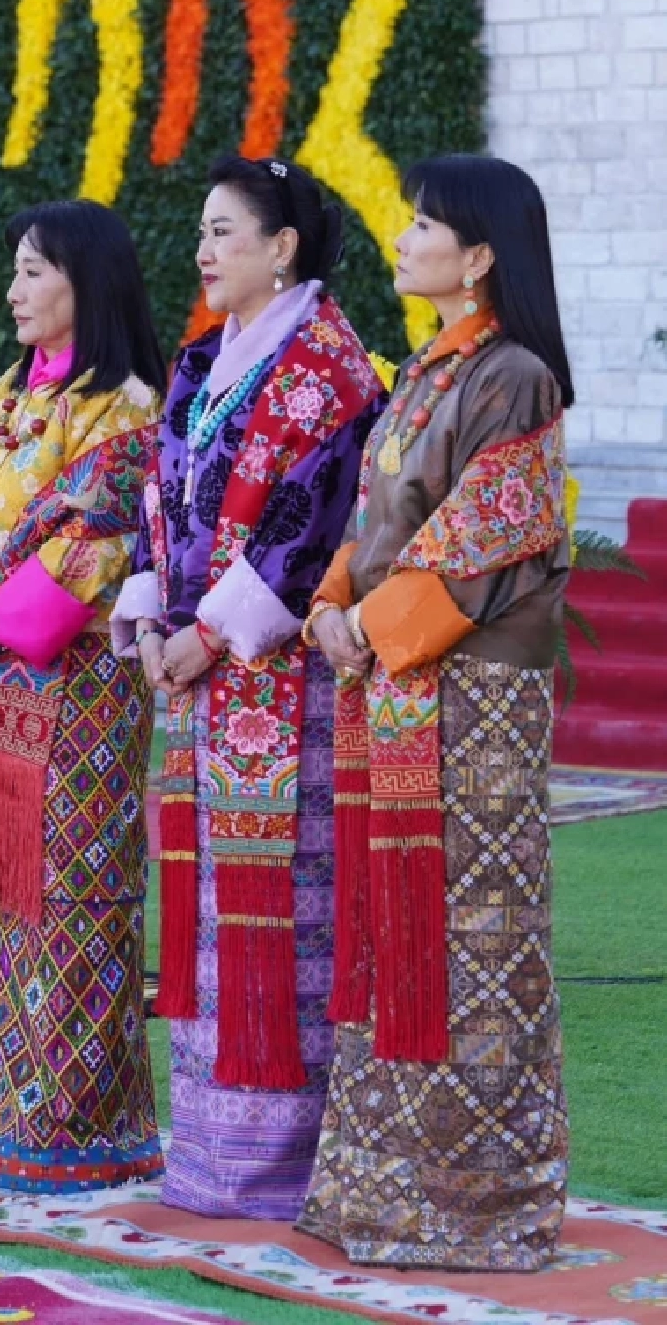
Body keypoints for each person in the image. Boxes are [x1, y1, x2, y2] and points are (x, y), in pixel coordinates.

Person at [297, 154, 573, 1272]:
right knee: (393, 926)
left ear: (481, 253)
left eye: (423, 223)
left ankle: (478, 1198)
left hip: (473, 689)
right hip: (400, 676)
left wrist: (369, 623)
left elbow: (488, 532)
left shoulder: (516, 376)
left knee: (472, 939)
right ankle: (391, 1185)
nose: (403, 237)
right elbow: (378, 515)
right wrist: (328, 601)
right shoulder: (425, 372)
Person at [110, 157, 384, 1221]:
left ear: (285, 247)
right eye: (202, 232)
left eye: (225, 231)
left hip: (282, 686)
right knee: (210, 910)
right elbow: (157, 498)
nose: (204, 250)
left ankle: (282, 1163)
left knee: (281, 913)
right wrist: (150, 616)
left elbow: (316, 519)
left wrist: (217, 629)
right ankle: (210, 1156)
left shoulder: (330, 366)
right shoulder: (198, 363)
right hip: (193, 677)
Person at [0, 200, 166, 1192]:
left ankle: (79, 1123)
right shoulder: (10, 398)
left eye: (34, 272)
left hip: (77, 693)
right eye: (15, 272)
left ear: (87, 282)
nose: (15, 290)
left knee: (69, 894)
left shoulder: (129, 409)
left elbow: (96, 545)